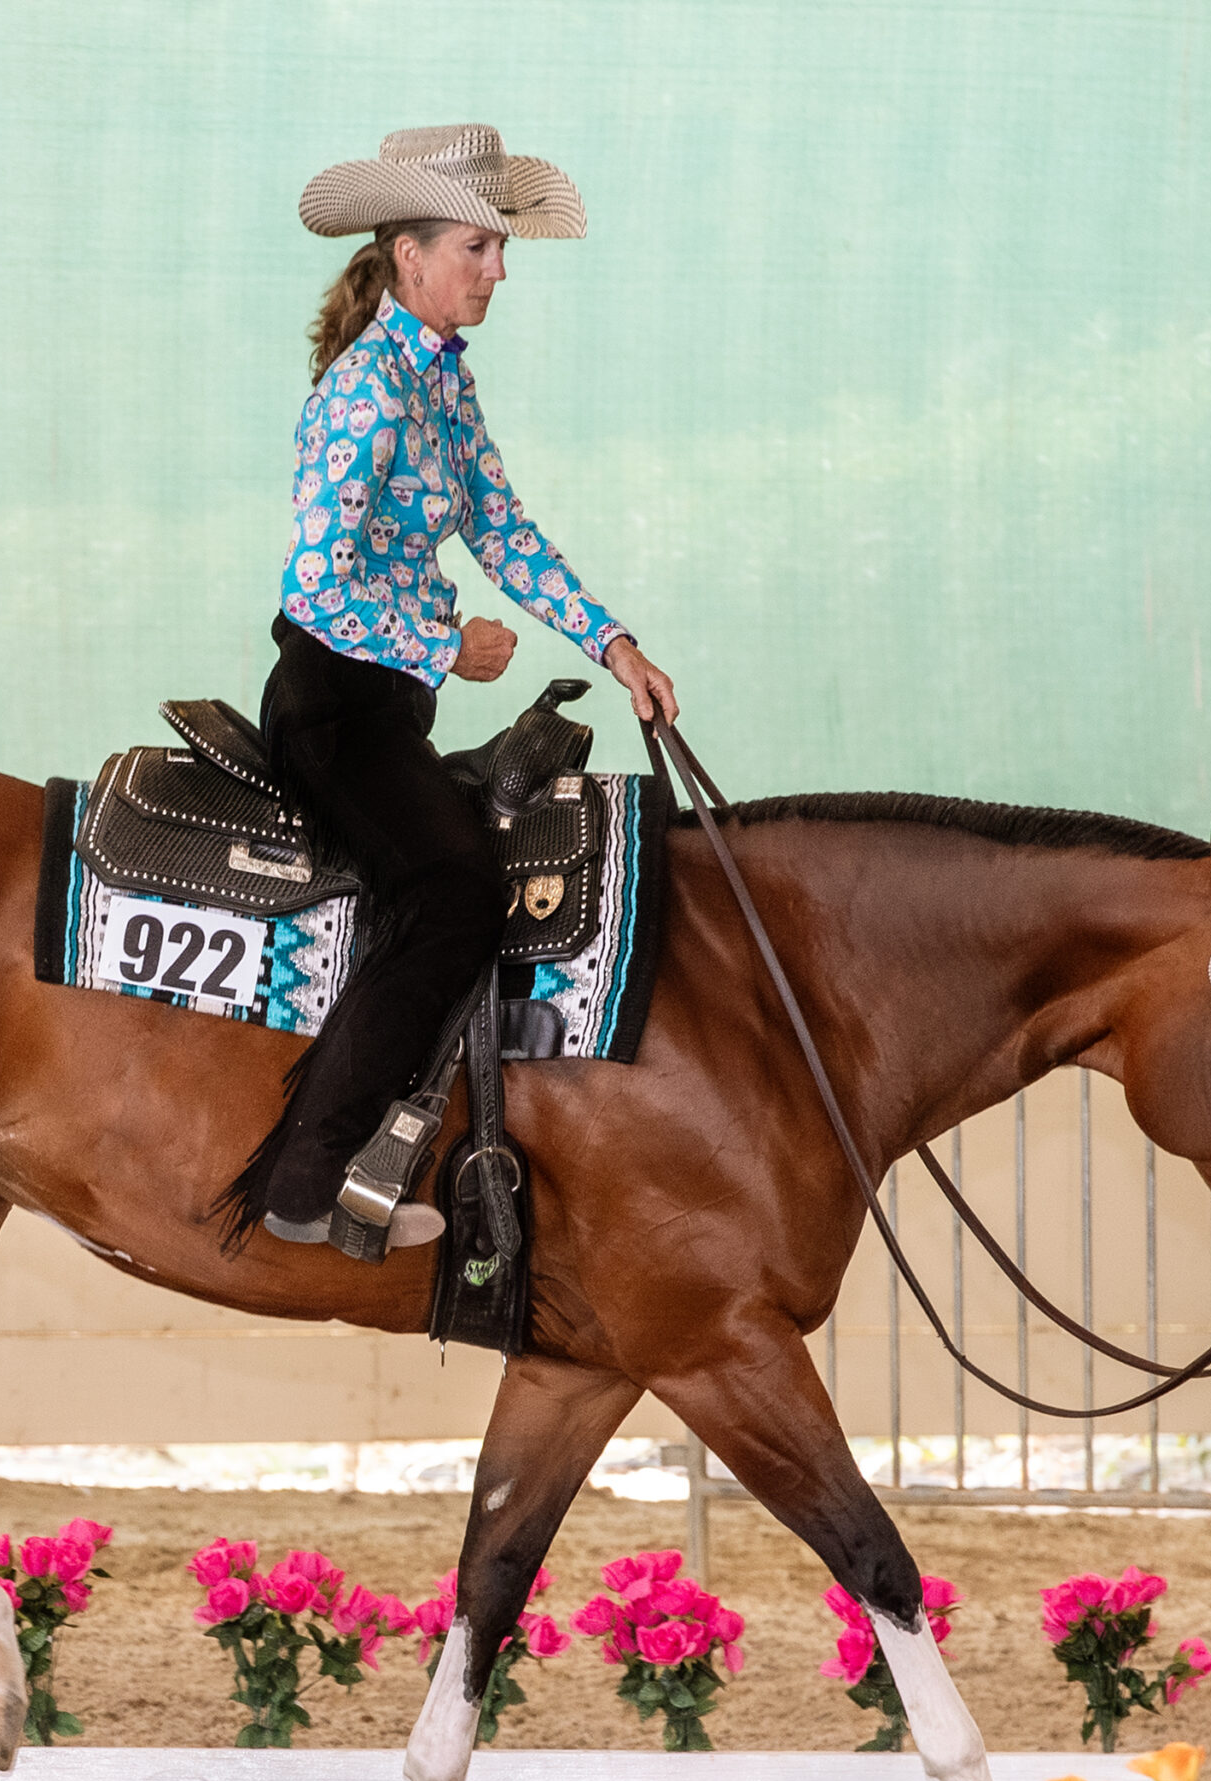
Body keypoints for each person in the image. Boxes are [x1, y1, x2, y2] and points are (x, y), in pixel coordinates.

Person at [242, 124, 680, 1257]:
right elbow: (312, 583)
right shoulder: (365, 394)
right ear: (410, 255)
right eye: (480, 248)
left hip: (382, 704)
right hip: (334, 703)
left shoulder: (438, 383)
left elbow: (503, 530)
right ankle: (307, 1176)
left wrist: (615, 640)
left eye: (498, 249)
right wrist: (439, 650)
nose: (498, 270)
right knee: (452, 892)